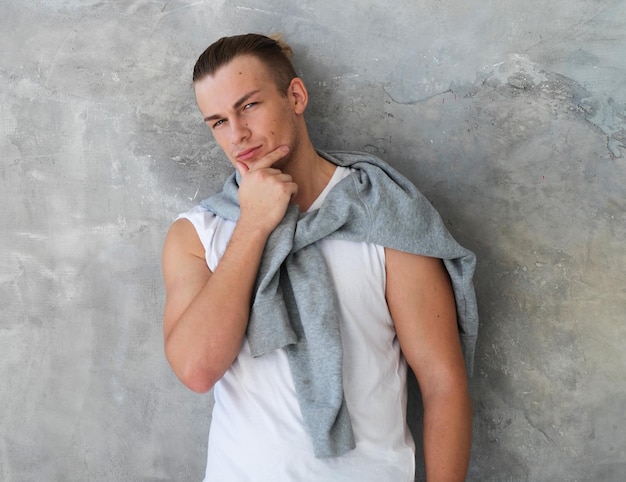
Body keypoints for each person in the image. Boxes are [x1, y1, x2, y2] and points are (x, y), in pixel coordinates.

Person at [162, 33, 478, 481]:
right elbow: (197, 369)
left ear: (295, 95)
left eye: (248, 106)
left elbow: (443, 385)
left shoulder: (384, 215)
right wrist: (254, 225)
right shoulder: (198, 233)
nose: (238, 135)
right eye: (218, 121)